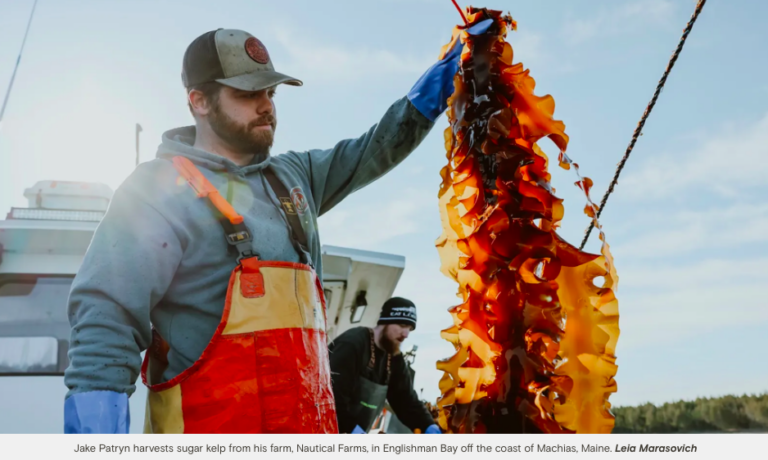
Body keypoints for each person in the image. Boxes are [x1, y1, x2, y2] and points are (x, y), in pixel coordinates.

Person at [63, 21, 493, 434]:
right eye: (248, 93)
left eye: (269, 91)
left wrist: (449, 74)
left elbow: (375, 148)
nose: (266, 104)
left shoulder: (295, 176)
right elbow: (107, 319)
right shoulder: (154, 191)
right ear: (199, 101)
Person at [329, 297, 440, 434]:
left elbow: (405, 400)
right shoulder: (353, 344)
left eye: (410, 329)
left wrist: (428, 425)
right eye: (402, 325)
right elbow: (330, 397)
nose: (406, 334)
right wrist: (352, 429)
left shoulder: (393, 356)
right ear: (385, 322)